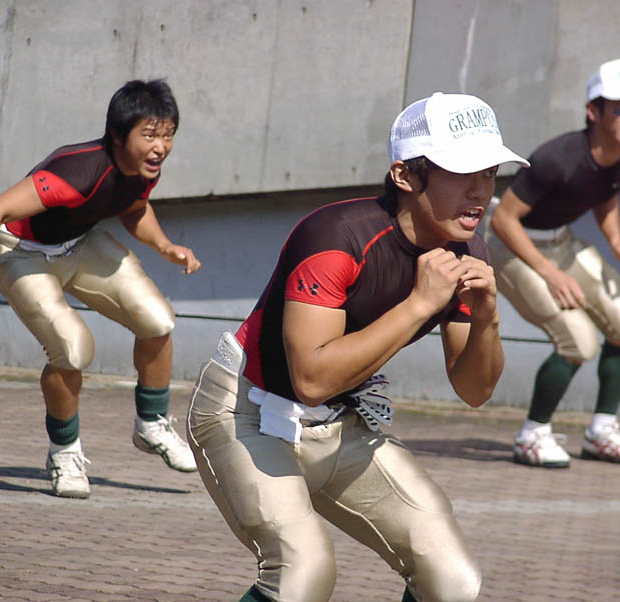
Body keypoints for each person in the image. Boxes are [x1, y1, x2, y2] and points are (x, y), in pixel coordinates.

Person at [186, 92, 528, 602]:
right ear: (405, 175)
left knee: (453, 579)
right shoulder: (335, 234)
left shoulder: (468, 248)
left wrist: (487, 318)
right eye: (462, 172)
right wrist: (418, 305)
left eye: (490, 171)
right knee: (303, 574)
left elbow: (475, 391)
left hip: (340, 422)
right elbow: (311, 380)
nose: (480, 190)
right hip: (246, 412)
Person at [0, 79, 201, 500]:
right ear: (118, 136)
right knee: (73, 349)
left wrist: (164, 245)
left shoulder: (141, 168)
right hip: (22, 252)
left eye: (168, 135)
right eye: (150, 135)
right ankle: (64, 452)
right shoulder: (76, 172)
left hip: (79, 244)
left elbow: (134, 206)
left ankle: (152, 423)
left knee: (157, 321)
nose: (161, 147)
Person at [486, 58, 620, 468]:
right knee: (579, 342)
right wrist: (550, 274)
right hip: (512, 246)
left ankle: (601, 432)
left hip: (560, 241)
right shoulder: (556, 158)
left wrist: (617, 242)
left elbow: (606, 194)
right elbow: (503, 220)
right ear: (593, 111)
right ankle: (532, 435)